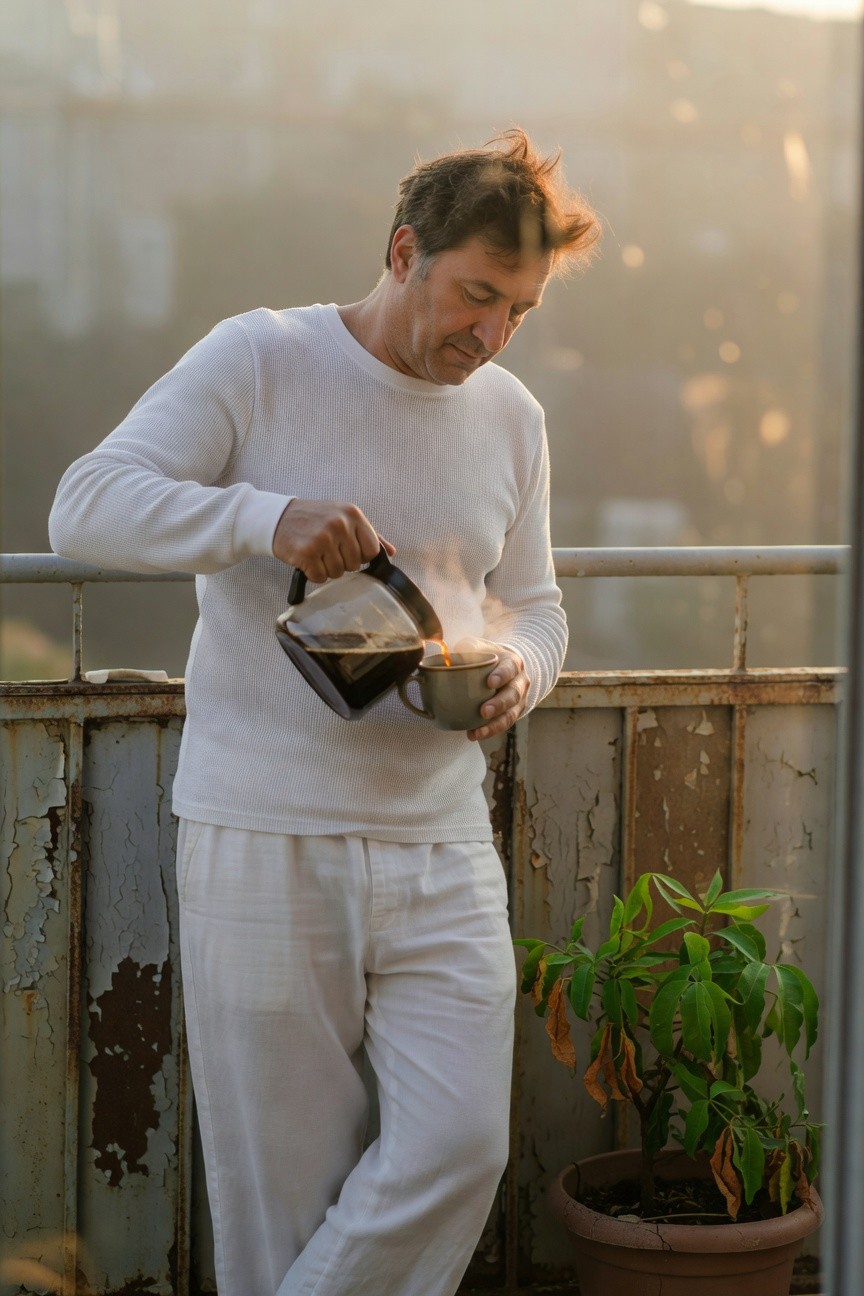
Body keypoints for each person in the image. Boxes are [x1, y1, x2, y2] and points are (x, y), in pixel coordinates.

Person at [49, 127, 600, 1296]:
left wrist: (521, 671)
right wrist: (263, 517)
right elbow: (83, 507)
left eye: (521, 311)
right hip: (263, 834)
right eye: (476, 295)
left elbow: (537, 606)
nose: (493, 334)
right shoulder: (260, 357)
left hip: (444, 844)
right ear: (405, 251)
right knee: (278, 1208)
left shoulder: (513, 418)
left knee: (461, 1147)